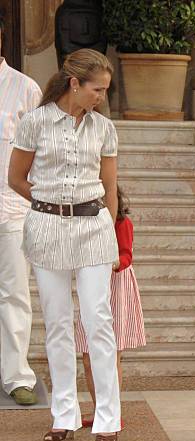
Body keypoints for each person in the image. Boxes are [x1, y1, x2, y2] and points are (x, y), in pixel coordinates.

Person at [8, 48, 122, 441]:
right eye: (97, 89)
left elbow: (110, 188)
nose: (101, 97)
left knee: (97, 321)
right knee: (57, 324)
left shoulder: (104, 128)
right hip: (47, 229)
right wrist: (47, 202)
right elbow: (16, 178)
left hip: (93, 229)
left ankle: (108, 418)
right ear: (75, 84)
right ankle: (64, 415)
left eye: (105, 90)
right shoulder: (35, 122)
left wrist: (110, 227)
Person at [74, 185, 146, 428]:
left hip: (116, 287)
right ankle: (98, 410)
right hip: (90, 286)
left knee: (111, 354)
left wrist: (111, 262)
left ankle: (111, 413)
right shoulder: (82, 224)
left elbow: (126, 256)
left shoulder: (122, 224)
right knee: (86, 355)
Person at [0, 15, 42, 406]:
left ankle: (16, 377)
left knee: (14, 294)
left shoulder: (25, 89)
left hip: (12, 209)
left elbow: (40, 154)